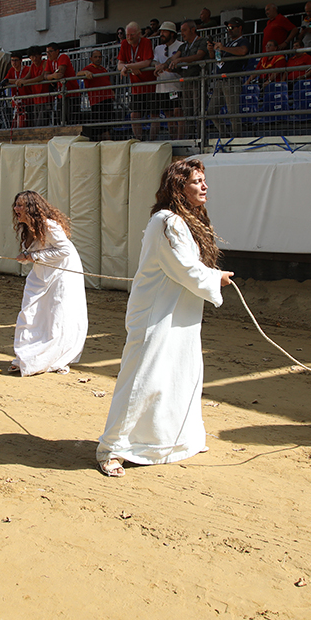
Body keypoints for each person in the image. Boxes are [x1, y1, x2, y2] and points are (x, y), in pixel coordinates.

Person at [96, 159, 234, 477]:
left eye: (204, 180)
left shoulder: (184, 221)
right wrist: (216, 279)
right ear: (178, 187)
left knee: (181, 373)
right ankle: (113, 448)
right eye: (197, 181)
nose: (204, 186)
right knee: (144, 377)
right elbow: (183, 267)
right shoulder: (166, 221)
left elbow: (186, 267)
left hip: (180, 310)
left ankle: (177, 441)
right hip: (157, 312)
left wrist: (212, 277)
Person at [10, 191, 87, 377]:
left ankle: (55, 358)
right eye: (16, 204)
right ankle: (28, 356)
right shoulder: (29, 227)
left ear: (31, 208)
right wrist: (30, 256)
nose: (16, 209)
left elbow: (65, 251)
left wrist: (32, 256)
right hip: (44, 273)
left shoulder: (49, 226)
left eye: (21, 205)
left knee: (57, 315)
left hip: (62, 274)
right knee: (32, 311)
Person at [205, 16, 250, 137]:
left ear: (240, 28)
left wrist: (223, 47)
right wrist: (212, 50)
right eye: (228, 27)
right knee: (211, 111)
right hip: (220, 79)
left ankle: (236, 138)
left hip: (232, 79)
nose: (229, 30)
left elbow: (243, 51)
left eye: (232, 27)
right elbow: (216, 59)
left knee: (232, 112)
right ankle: (225, 135)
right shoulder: (229, 43)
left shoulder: (242, 41)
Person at [117, 22, 156, 140]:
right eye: (127, 35)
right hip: (136, 87)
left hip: (150, 85)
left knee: (154, 115)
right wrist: (132, 67)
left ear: (139, 34)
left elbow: (147, 62)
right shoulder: (124, 43)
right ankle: (139, 140)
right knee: (134, 115)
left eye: (132, 35)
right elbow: (119, 65)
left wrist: (129, 66)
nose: (129, 37)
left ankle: (153, 140)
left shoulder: (146, 42)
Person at [78, 49, 115, 138]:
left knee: (107, 124)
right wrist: (85, 72)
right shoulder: (89, 68)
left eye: (99, 57)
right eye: (96, 57)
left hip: (108, 99)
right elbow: (78, 74)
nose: (98, 59)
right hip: (97, 101)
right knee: (101, 126)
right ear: (91, 58)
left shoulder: (103, 69)